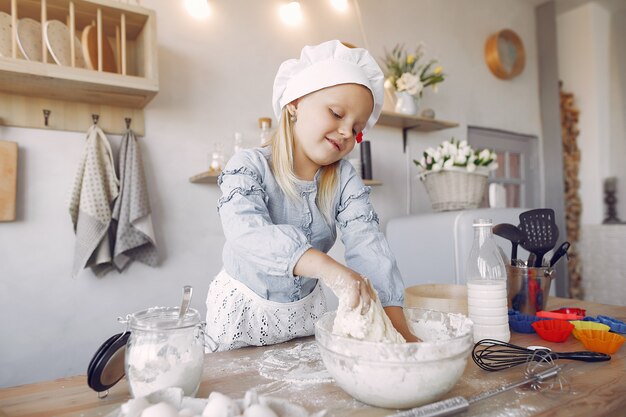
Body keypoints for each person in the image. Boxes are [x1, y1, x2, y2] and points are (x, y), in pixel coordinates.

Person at [205, 40, 418, 352]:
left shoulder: (344, 180)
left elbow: (368, 246)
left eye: (357, 129)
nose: (347, 132)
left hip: (304, 315)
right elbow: (246, 234)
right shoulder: (249, 166)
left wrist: (402, 335)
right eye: (336, 113)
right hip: (243, 314)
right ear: (295, 103)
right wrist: (329, 268)